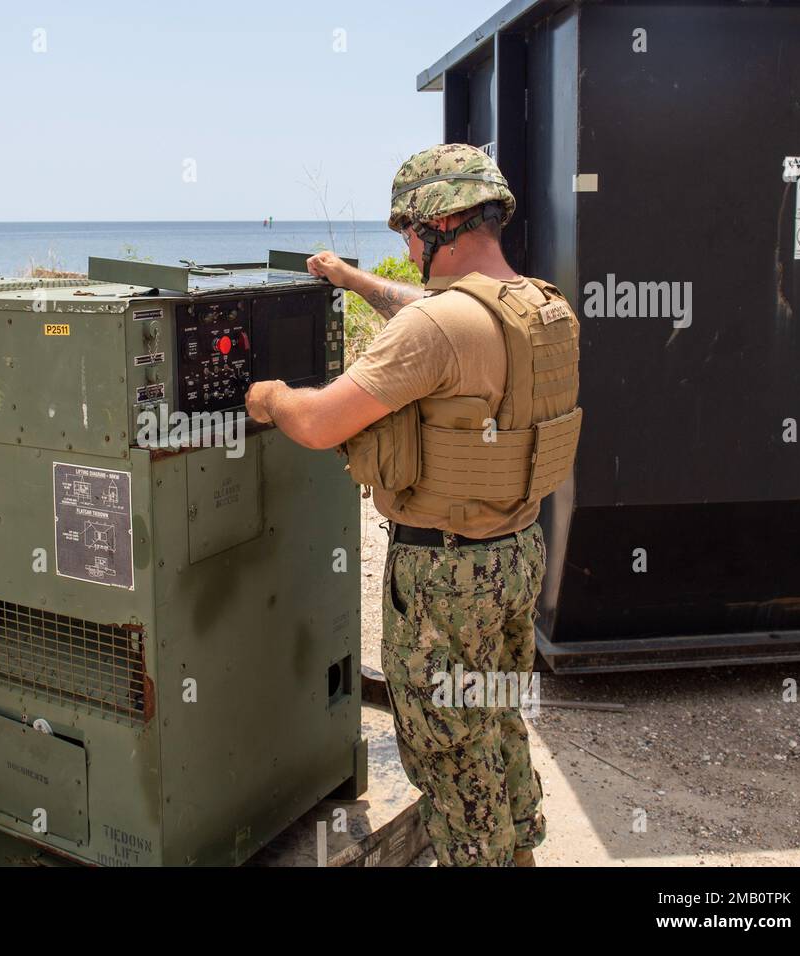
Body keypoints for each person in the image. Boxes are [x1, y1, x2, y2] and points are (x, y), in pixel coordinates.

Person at [244, 144, 582, 866]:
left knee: (449, 753)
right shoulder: (538, 307)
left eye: (409, 233)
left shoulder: (434, 332)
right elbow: (432, 313)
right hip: (517, 554)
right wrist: (345, 277)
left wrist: (267, 397)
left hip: (444, 577)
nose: (406, 247)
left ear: (441, 225)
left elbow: (319, 423)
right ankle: (518, 850)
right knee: (493, 719)